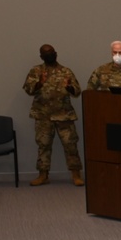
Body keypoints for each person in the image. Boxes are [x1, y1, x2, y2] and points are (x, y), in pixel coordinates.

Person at [22, 44, 84, 186]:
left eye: (52, 52)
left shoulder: (65, 71)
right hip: (43, 116)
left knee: (71, 145)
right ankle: (43, 175)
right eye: (46, 53)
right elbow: (29, 89)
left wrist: (69, 87)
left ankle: (76, 175)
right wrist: (40, 83)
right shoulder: (36, 71)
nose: (50, 55)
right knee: (43, 145)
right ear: (41, 56)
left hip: (64, 116)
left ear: (56, 53)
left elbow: (77, 91)